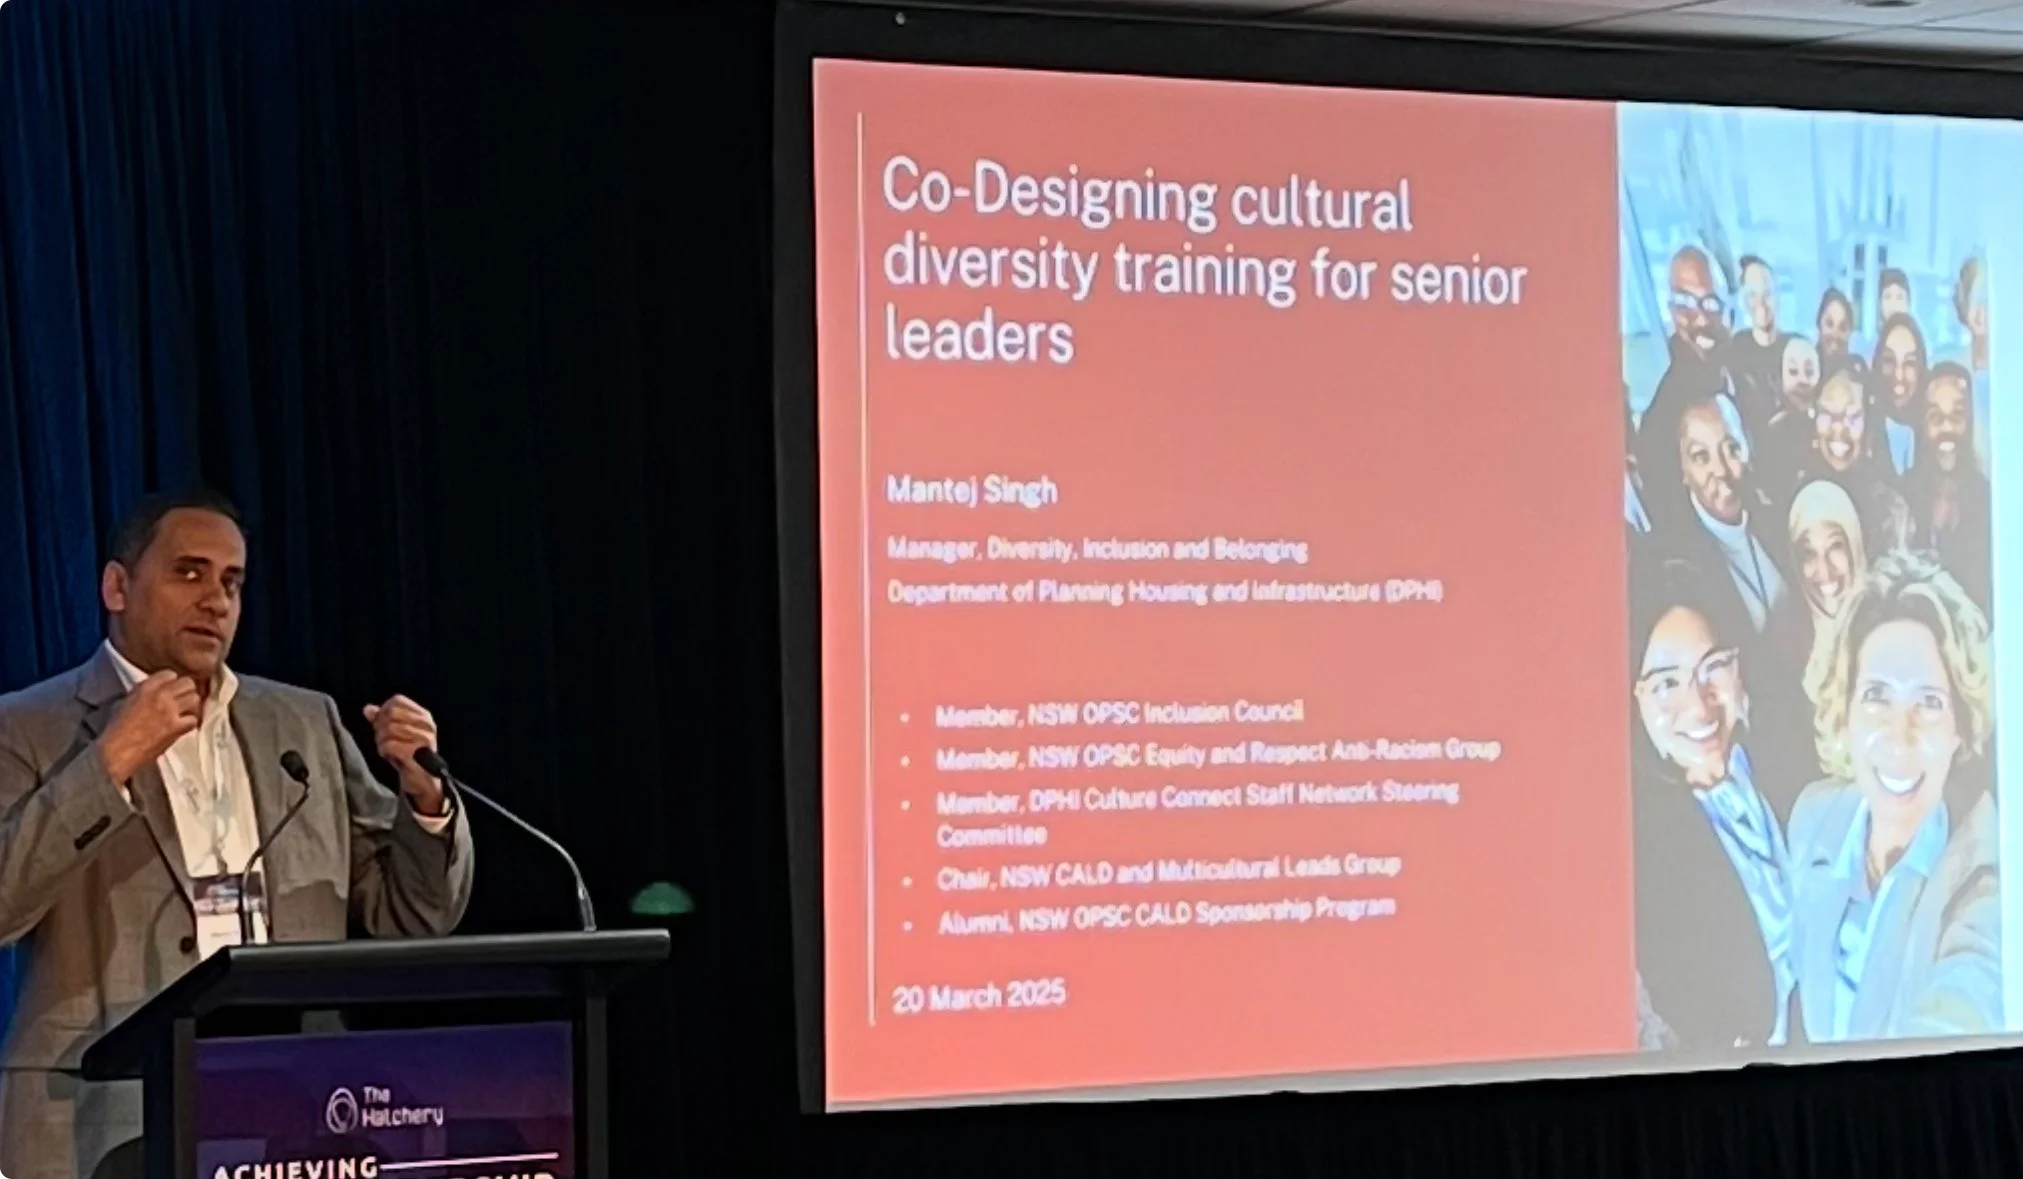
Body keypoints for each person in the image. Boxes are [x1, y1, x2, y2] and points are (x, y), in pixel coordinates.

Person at [0, 489, 475, 1179]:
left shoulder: (304, 722)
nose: (215, 600)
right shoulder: (28, 725)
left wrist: (426, 799)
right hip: (99, 1119)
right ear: (116, 585)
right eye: (188, 572)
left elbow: (415, 910)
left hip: (296, 1111)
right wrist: (107, 765)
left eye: (231, 581)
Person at [1788, 552, 1998, 1042]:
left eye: (1928, 702)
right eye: (1876, 696)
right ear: (1845, 713)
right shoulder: (1813, 818)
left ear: (1959, 731)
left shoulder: (1989, 883)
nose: (1899, 737)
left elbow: (1961, 1015)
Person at [1631, 561, 1795, 1051]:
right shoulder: (1642, 851)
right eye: (1666, 683)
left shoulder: (1791, 758)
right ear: (1635, 701)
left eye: (1713, 668)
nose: (1700, 706)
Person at [1907, 363, 1991, 613]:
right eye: (1935, 417)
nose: (1946, 428)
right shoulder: (1900, 496)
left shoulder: (1991, 502)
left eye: (1956, 416)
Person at [1787, 480, 1868, 715]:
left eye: (1835, 547)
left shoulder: (1883, 628)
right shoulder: (1789, 645)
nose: (1824, 570)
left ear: (1854, 545)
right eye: (1808, 553)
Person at [1872, 313, 1927, 476]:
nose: (1898, 375)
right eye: (1889, 360)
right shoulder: (1863, 428)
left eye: (1909, 363)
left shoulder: (1932, 429)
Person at [1817, 288, 1856, 369]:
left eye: (1843, 328)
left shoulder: (1857, 371)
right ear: (1819, 324)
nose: (1835, 334)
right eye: (1829, 324)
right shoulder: (1806, 371)